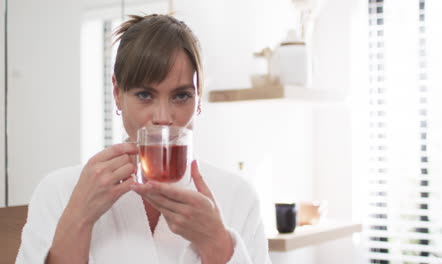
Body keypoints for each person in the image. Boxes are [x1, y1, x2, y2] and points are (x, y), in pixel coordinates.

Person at [16, 14, 271, 264]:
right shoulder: (59, 192)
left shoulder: (238, 196)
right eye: (145, 95)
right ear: (117, 93)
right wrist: (79, 217)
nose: (162, 118)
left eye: (181, 96)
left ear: (198, 98)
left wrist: (216, 242)